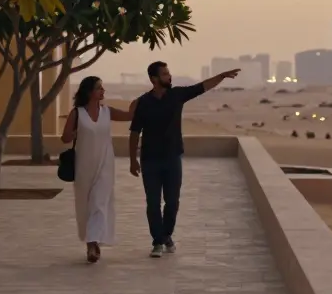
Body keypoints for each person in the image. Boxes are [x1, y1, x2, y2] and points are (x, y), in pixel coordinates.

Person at [129, 61, 240, 258]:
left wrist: (221, 76)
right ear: (154, 79)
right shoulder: (143, 103)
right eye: (164, 74)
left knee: (172, 202)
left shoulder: (177, 95)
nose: (169, 77)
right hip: (150, 161)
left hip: (172, 158)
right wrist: (132, 160)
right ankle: (157, 241)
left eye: (169, 73)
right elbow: (135, 132)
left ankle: (166, 235)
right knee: (153, 203)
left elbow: (202, 87)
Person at [61, 76, 133, 264]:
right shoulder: (77, 113)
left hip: (105, 165)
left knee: (100, 202)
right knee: (86, 205)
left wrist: (142, 101)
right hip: (84, 167)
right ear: (89, 92)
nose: (103, 91)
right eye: (99, 88)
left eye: (102, 88)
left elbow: (129, 115)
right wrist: (75, 133)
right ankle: (90, 241)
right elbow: (65, 138)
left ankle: (93, 244)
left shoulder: (107, 111)